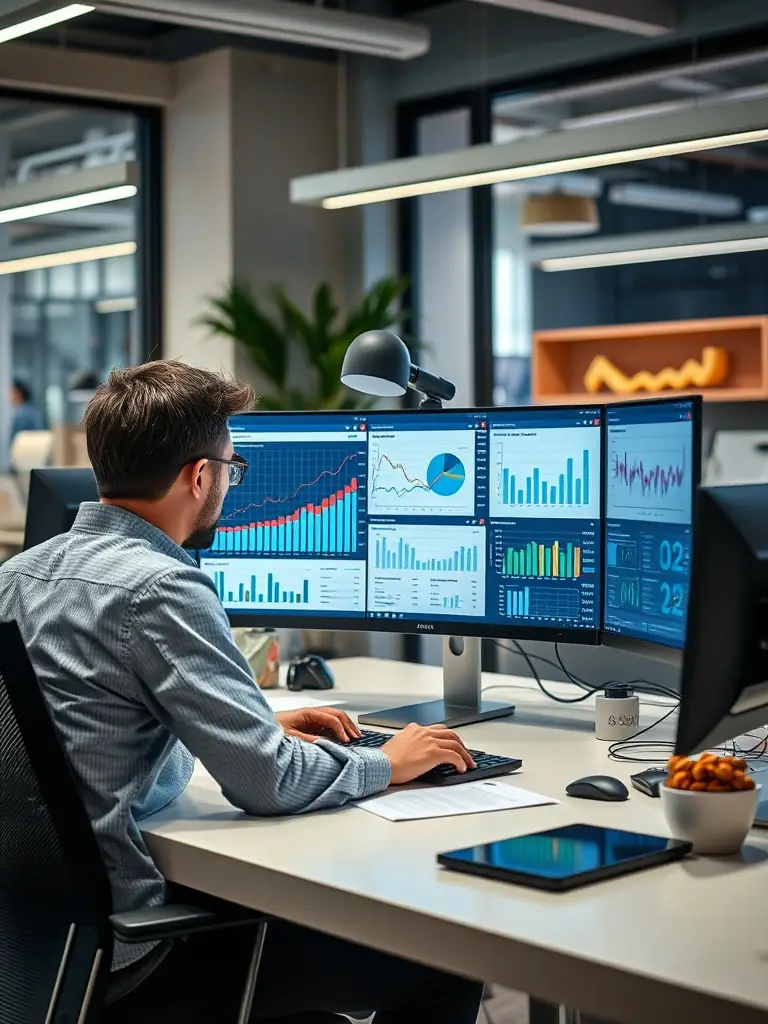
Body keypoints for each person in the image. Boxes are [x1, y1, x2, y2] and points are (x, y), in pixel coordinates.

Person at [0, 360, 483, 1024]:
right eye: (232, 467)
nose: (230, 481)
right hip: (136, 962)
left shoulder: (18, 575)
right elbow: (268, 783)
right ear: (200, 476)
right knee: (448, 962)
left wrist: (250, 724)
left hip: (38, 956)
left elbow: (81, 730)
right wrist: (387, 762)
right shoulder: (162, 586)